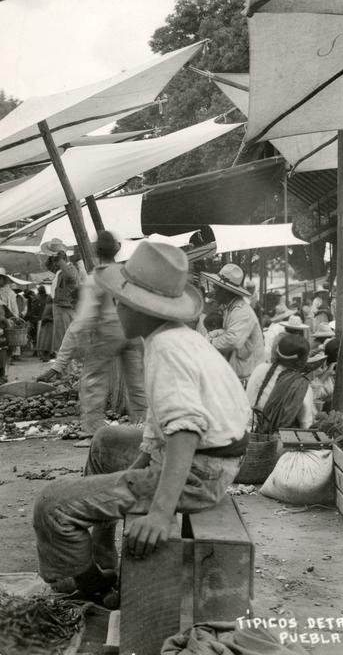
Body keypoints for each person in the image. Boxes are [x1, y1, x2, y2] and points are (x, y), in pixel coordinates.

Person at [33, 241, 249, 601]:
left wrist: (161, 512)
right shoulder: (173, 337)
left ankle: (90, 584)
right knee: (105, 441)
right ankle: (103, 556)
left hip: (200, 473)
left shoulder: (166, 350)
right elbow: (157, 423)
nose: (116, 308)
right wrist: (132, 472)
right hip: (214, 461)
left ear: (142, 307)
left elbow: (184, 430)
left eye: (121, 302)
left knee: (51, 504)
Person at [65, 231, 147, 447]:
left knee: (93, 379)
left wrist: (83, 338)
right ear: (117, 249)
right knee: (137, 382)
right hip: (132, 328)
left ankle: (93, 431)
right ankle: (145, 428)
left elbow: (87, 313)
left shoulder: (96, 277)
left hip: (108, 330)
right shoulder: (126, 273)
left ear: (96, 251)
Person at [201, 263, 265, 384]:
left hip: (250, 377)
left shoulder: (241, 311)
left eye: (216, 288)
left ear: (225, 291)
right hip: (242, 373)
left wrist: (208, 342)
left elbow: (233, 340)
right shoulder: (230, 309)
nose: (214, 292)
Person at [246, 335, 314, 433]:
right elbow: (306, 424)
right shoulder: (301, 385)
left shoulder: (259, 369)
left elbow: (248, 403)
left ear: (277, 352)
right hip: (279, 442)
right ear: (303, 360)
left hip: (249, 432)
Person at [42, 238, 79, 353]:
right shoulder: (60, 271)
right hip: (60, 306)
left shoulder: (70, 269)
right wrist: (53, 255)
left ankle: (65, 361)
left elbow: (71, 277)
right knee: (61, 335)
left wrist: (60, 259)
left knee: (63, 336)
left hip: (64, 307)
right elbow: (48, 265)